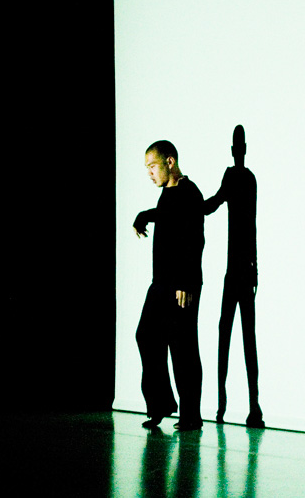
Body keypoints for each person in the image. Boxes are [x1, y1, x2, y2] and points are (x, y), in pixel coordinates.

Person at [133, 140, 205, 431]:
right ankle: (161, 404)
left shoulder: (190, 193)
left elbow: (195, 240)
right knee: (146, 336)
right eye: (147, 168)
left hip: (181, 285)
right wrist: (144, 215)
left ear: (170, 162)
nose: (149, 173)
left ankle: (191, 415)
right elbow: (167, 214)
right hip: (161, 283)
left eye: (152, 166)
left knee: (182, 348)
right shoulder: (168, 194)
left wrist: (185, 282)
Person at [205, 125, 264, 428]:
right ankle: (247, 406)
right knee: (243, 337)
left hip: (237, 271)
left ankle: (225, 406)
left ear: (234, 150)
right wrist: (255, 268)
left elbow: (214, 204)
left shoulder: (234, 177)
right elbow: (251, 224)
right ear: (243, 149)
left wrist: (191, 205)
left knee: (228, 335)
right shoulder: (248, 178)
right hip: (244, 269)